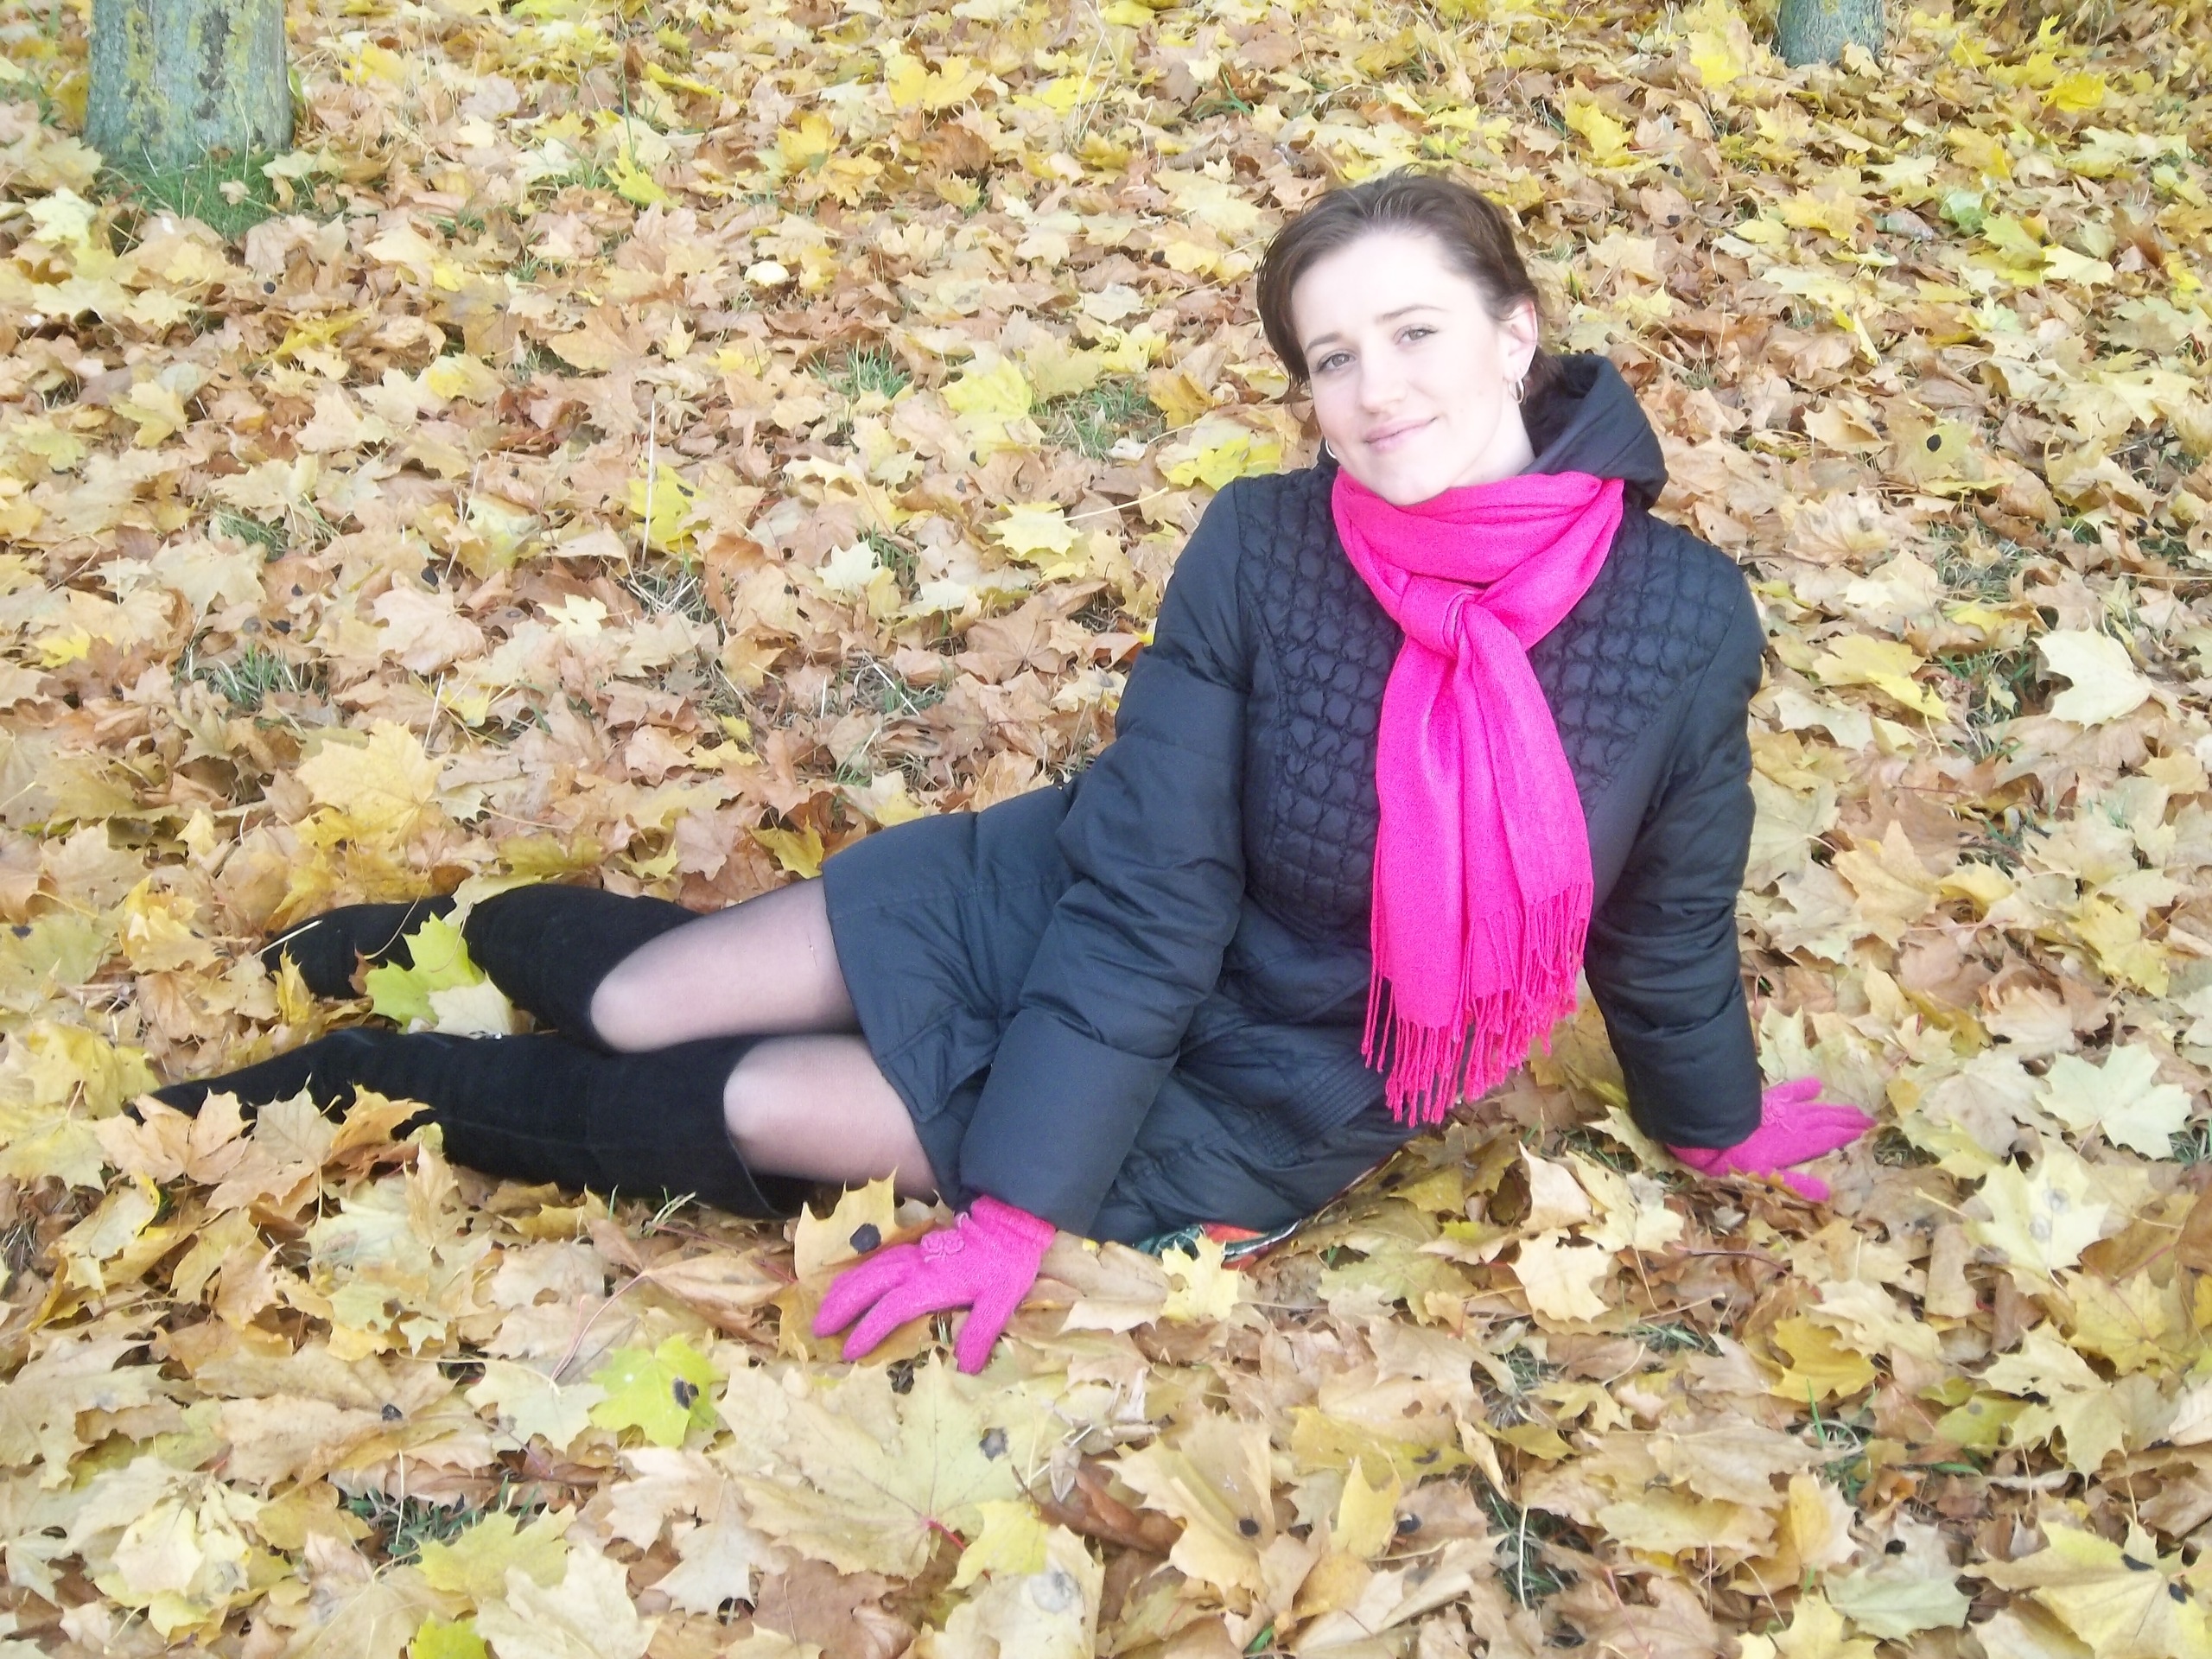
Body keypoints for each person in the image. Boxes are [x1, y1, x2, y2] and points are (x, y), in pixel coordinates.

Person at [153, 171, 1874, 1375]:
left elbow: (1662, 922)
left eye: (1412, 333)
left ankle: (349, 1082)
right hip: (1076, 902)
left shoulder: (1678, 622)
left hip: (1261, 1085)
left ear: (1515, 333)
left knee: (751, 1103)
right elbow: (1147, 900)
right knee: (640, 997)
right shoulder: (1264, 545)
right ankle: (450, 935)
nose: (1373, 391)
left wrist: (1710, 1121)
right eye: (1330, 358)